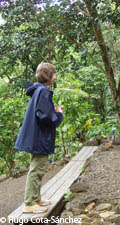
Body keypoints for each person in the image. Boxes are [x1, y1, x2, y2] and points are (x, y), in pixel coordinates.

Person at [14, 62, 64, 213]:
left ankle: (36, 199)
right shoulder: (42, 91)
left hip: (36, 136)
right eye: (54, 74)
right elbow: (44, 116)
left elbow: (42, 112)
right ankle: (30, 203)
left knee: (38, 168)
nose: (55, 77)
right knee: (37, 169)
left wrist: (53, 111)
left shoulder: (39, 90)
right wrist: (58, 114)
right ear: (49, 76)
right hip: (39, 138)